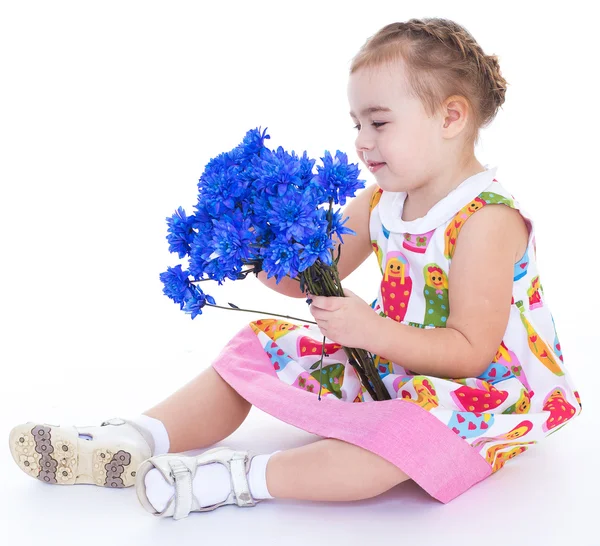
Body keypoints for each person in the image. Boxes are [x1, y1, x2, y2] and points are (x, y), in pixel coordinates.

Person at [9, 17, 582, 520]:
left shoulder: (488, 220)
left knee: (401, 439)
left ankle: (235, 480)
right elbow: (314, 268)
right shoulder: (384, 199)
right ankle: (135, 439)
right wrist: (258, 248)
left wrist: (372, 332)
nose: (360, 142)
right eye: (356, 123)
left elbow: (470, 351)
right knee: (259, 346)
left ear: (451, 117)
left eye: (379, 123)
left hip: (480, 390)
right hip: (390, 356)